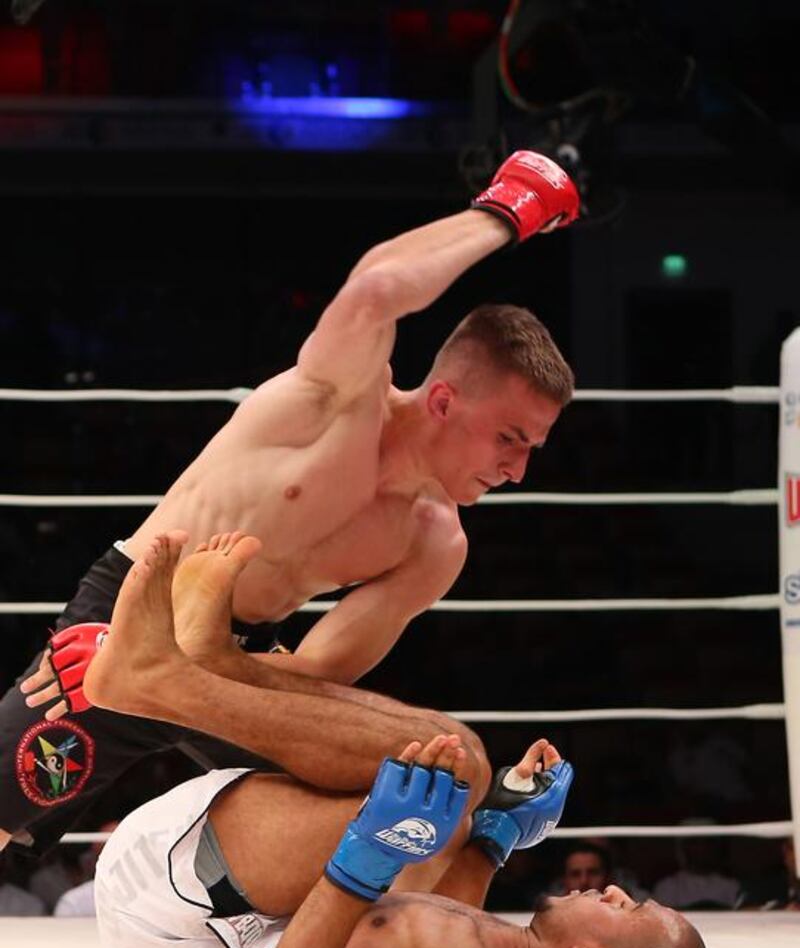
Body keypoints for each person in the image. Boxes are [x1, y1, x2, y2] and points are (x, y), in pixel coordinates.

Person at [1, 150, 579, 857]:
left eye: (532, 450)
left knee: (404, 793)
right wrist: (505, 213)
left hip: (239, 662)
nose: (517, 471)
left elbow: (317, 673)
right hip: (133, 609)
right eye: (509, 438)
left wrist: (197, 667)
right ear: (442, 399)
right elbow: (380, 288)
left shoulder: (435, 543)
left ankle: (271, 946)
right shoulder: (341, 399)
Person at [90, 531, 709, 948]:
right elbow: (416, 926)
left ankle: (161, 683)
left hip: (182, 915)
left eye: (630, 910)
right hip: (222, 889)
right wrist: (496, 834)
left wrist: (365, 857)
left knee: (456, 772)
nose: (616, 892)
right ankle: (214, 665)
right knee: (462, 775)